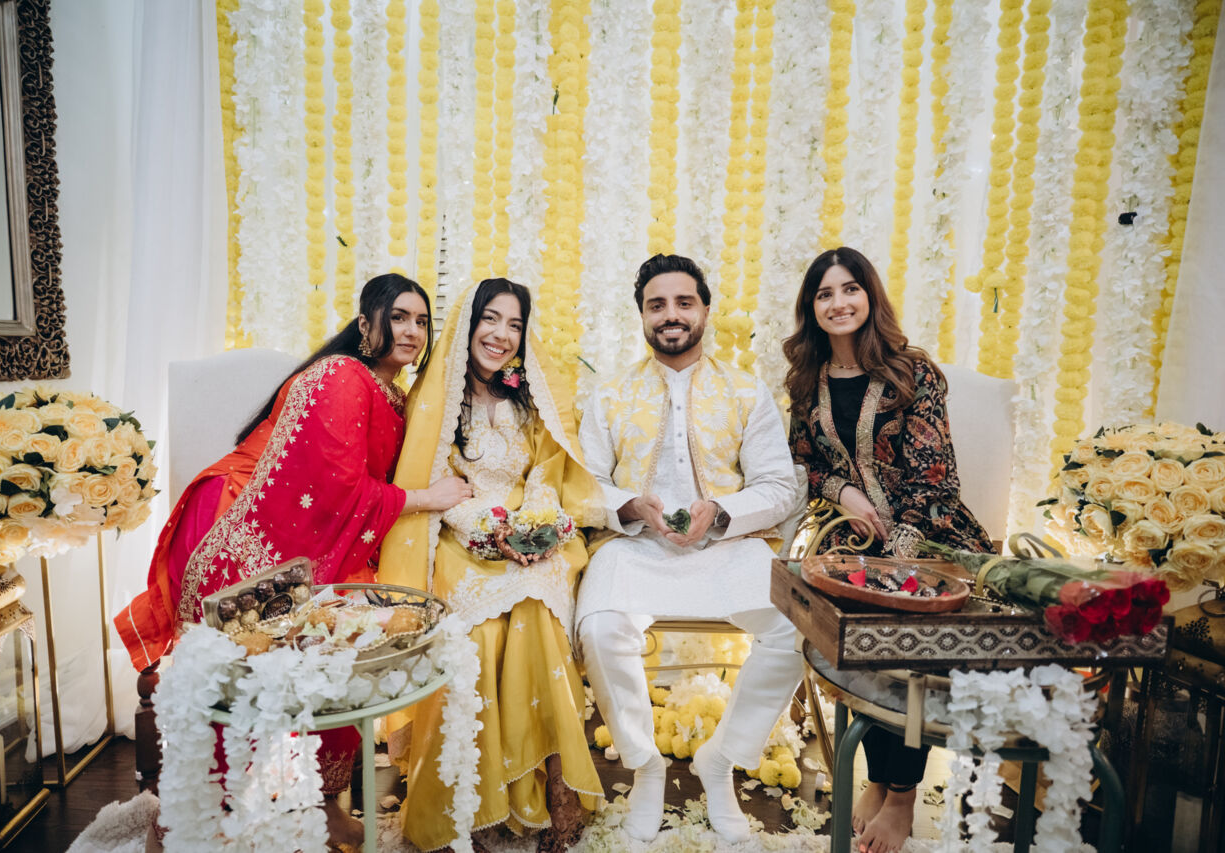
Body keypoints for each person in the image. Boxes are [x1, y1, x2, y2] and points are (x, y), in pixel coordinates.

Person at [114, 273, 471, 848]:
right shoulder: (342, 376)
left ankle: (319, 805)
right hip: (246, 524)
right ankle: (191, 817)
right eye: (399, 317)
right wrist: (428, 498)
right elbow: (333, 487)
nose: (411, 330)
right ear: (366, 324)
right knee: (255, 667)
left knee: (348, 636)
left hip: (310, 531)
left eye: (421, 321)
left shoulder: (391, 392)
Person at [574, 253, 806, 844]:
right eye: (657, 305)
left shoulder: (746, 391)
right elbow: (584, 486)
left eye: (683, 302)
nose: (670, 315)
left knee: (795, 627)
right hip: (637, 546)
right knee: (600, 628)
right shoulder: (610, 395)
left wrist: (720, 512)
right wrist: (630, 506)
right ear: (642, 316)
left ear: (705, 309)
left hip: (729, 546)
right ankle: (645, 765)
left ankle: (720, 760)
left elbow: (779, 486)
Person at [379, 279, 606, 853]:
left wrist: (535, 526)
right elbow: (432, 486)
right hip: (462, 537)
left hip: (534, 538)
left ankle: (555, 788)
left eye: (514, 325)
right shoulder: (437, 400)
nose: (502, 335)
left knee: (537, 608)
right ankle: (476, 804)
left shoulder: (531, 399)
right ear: (468, 324)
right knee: (478, 635)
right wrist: (490, 530)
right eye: (491, 319)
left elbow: (547, 473)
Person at [784, 247, 993, 853]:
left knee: (902, 633)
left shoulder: (912, 372)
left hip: (931, 534)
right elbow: (802, 462)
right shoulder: (808, 381)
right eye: (824, 293)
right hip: (852, 540)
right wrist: (843, 491)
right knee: (853, 629)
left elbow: (936, 477)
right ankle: (878, 777)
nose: (838, 302)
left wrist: (898, 554)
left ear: (870, 296)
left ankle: (900, 796)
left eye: (850, 288)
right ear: (812, 308)